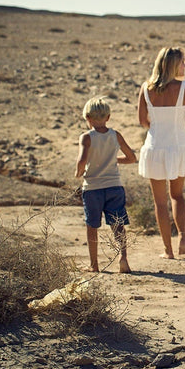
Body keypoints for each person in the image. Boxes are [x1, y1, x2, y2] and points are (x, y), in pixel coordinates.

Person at [138, 46, 185, 259]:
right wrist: (176, 122)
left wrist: (158, 122)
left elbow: (142, 121)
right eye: (183, 62)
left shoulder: (146, 88)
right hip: (178, 146)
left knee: (160, 202)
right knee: (177, 196)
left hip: (155, 148)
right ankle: (182, 236)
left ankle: (167, 250)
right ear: (173, 65)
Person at [76, 96, 137, 273]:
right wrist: (112, 160)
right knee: (118, 224)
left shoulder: (86, 137)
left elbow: (81, 161)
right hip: (114, 186)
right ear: (108, 117)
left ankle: (94, 264)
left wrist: (78, 173)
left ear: (87, 118)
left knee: (92, 226)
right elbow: (131, 158)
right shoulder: (115, 135)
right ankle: (123, 257)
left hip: (93, 188)